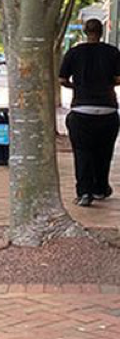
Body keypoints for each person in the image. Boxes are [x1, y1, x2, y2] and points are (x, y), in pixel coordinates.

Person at [59, 18, 120, 207]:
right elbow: (119, 78)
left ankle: (84, 192)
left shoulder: (74, 53)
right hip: (108, 109)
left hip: (81, 110)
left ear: (85, 32)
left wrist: (77, 86)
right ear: (101, 32)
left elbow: (62, 79)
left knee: (82, 152)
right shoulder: (113, 52)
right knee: (104, 152)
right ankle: (100, 188)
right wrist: (108, 84)